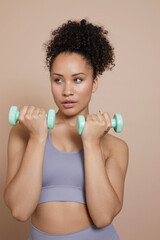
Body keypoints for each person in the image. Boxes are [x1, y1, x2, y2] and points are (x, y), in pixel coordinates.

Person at [4, 18, 129, 240]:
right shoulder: (24, 133)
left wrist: (91, 143)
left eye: (78, 80)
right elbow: (19, 211)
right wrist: (38, 138)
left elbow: (103, 217)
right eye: (58, 80)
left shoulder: (114, 147)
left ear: (94, 82)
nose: (67, 91)